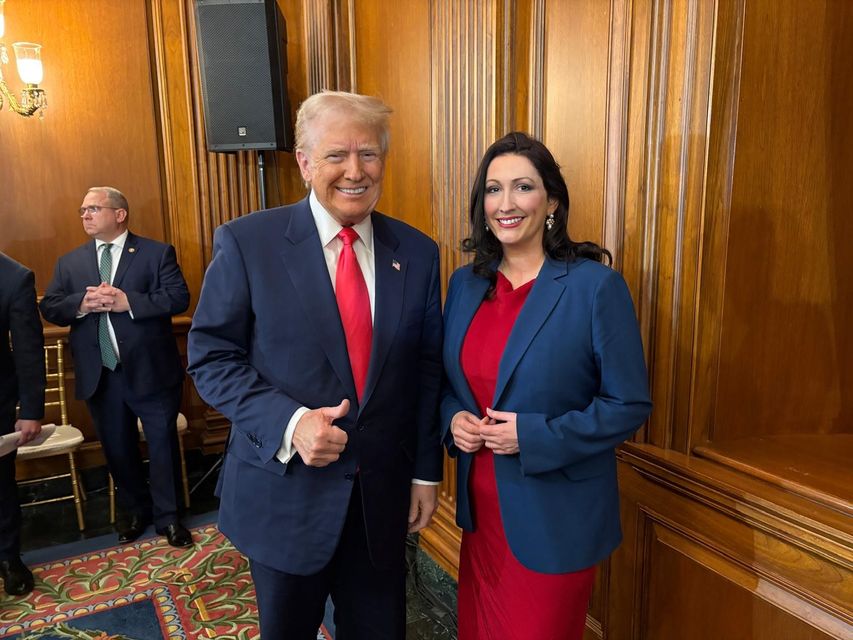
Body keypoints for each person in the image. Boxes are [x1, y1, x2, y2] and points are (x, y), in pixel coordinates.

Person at [187, 90, 443, 640]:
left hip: (380, 501)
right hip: (286, 497)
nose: (356, 171)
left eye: (369, 154)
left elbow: (425, 372)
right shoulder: (248, 242)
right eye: (337, 155)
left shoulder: (418, 253)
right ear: (304, 163)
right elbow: (211, 357)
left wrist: (426, 470)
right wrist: (291, 422)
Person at [441, 132, 653, 640]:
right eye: (493, 190)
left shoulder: (594, 287)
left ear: (551, 200)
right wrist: (452, 419)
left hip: (557, 519)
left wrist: (532, 436)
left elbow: (628, 403)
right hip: (482, 515)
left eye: (523, 187)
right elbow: (445, 383)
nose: (506, 204)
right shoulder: (465, 284)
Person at [40, 187, 192, 548]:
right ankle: (136, 512)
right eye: (82, 210)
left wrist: (129, 302)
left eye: (93, 208)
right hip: (101, 374)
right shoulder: (70, 262)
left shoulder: (156, 253)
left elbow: (178, 297)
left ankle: (169, 519)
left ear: (120, 214)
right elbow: (51, 306)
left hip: (151, 372)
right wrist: (82, 303)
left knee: (162, 445)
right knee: (118, 449)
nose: (85, 216)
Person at [0, 252, 45, 596]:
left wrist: (31, 409)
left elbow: (28, 349)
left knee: (1, 488)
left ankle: (8, 559)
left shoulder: (14, 276)